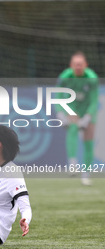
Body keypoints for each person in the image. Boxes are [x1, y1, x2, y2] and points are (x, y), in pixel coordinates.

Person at [56, 51, 99, 186]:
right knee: (73, 129)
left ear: (85, 65)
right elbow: (57, 95)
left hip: (87, 109)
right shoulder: (65, 77)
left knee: (88, 140)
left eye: (81, 64)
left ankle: (86, 174)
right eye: (76, 64)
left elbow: (93, 100)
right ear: (71, 65)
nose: (78, 67)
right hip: (72, 106)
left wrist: (88, 116)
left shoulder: (92, 78)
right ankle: (73, 163)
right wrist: (60, 113)